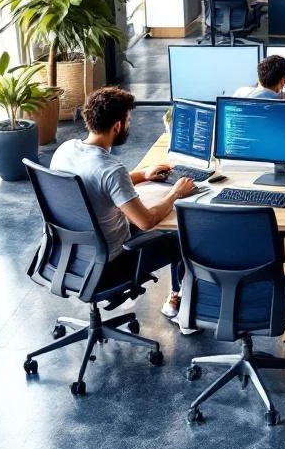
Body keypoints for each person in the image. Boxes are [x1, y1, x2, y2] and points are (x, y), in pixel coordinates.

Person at [49, 87, 199, 334]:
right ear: (117, 126)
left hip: (66, 255)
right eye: (128, 121)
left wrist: (142, 174)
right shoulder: (110, 169)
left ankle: (179, 299)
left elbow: (96, 184)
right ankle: (182, 306)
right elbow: (146, 222)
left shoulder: (66, 150)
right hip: (109, 263)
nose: (129, 126)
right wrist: (176, 194)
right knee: (182, 237)